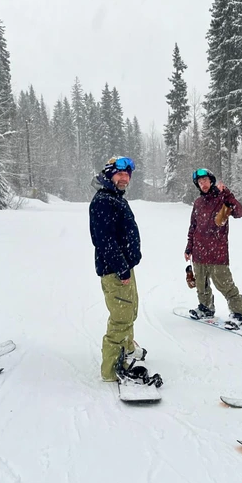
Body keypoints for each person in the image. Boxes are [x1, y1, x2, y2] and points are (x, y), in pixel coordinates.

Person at [89, 156, 151, 382]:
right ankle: (112, 369)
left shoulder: (114, 197)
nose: (124, 178)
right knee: (121, 318)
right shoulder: (103, 201)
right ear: (109, 174)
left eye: (127, 174)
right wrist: (122, 268)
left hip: (124, 268)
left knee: (129, 311)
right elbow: (104, 241)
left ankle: (127, 351)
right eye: (120, 173)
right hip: (115, 270)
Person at [185, 168, 242, 328]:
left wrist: (227, 193)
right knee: (201, 285)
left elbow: (239, 212)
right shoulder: (198, 203)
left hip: (217, 253)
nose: (203, 184)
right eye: (199, 182)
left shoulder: (222, 198)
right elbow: (193, 226)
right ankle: (206, 308)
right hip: (199, 253)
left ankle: (238, 313)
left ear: (211, 181)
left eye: (205, 180)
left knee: (225, 285)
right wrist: (189, 248)